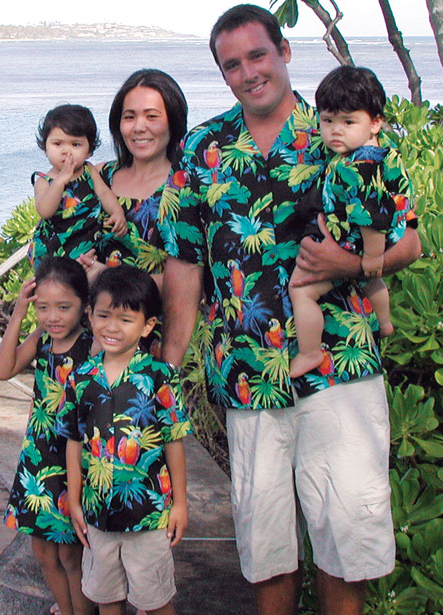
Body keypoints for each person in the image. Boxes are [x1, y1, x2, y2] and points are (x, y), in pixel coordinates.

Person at [157, 5, 421, 615]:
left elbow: (408, 241)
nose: (248, 72)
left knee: (346, 538)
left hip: (340, 367)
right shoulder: (202, 149)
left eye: (258, 55)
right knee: (265, 543)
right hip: (247, 375)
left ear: (284, 51)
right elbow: (184, 265)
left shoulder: (343, 129)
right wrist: (168, 365)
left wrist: (349, 265)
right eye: (232, 65)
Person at [58, 265, 191, 615]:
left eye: (126, 319)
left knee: (156, 601)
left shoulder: (159, 377)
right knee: (107, 600)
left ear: (147, 325)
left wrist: (180, 504)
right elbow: (73, 442)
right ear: (90, 315)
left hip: (149, 515)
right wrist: (75, 501)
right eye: (103, 316)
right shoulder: (80, 378)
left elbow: (174, 441)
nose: (112, 327)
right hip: (97, 515)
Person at [288, 65, 414, 378]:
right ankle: (385, 322)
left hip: (360, 240)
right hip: (379, 236)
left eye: (348, 122)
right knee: (371, 281)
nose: (335, 131)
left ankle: (309, 351)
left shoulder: (361, 165)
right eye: (327, 121)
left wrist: (372, 257)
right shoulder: (380, 153)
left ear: (375, 122)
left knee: (301, 291)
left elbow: (369, 214)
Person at [0, 257, 96, 615]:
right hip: (37, 458)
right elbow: (3, 369)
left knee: (70, 553)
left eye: (64, 307)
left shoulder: (92, 345)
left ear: (84, 306)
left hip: (74, 461)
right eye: (43, 308)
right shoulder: (41, 339)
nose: (53, 317)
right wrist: (20, 314)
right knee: (42, 551)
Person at [95, 68, 188, 290]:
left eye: (151, 116)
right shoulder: (98, 178)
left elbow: (195, 279)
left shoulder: (189, 186)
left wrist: (105, 278)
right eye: (129, 117)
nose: (138, 127)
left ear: (173, 121)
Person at [30, 104, 127, 268]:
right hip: (56, 251)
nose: (66, 151)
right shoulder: (44, 181)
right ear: (45, 147)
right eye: (58, 144)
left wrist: (117, 212)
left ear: (89, 150)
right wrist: (60, 181)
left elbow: (104, 193)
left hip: (88, 242)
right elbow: (45, 211)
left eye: (75, 145)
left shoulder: (89, 171)